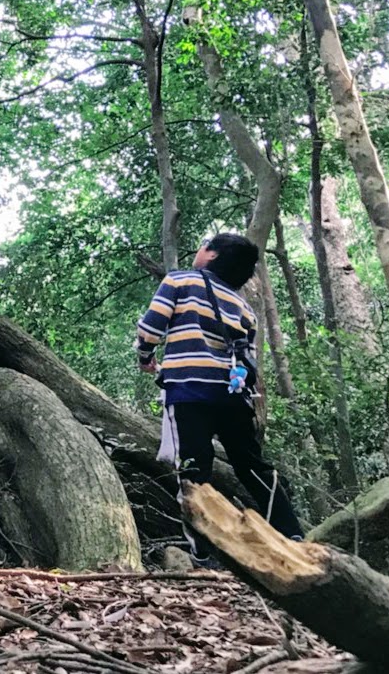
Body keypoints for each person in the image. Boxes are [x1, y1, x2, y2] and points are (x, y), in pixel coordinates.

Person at [136, 233, 302, 556]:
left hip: (189, 390)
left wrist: (145, 357)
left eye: (202, 245)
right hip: (233, 397)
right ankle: (291, 534)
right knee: (253, 466)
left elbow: (151, 329)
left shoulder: (178, 281)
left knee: (194, 469)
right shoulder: (243, 307)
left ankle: (203, 550)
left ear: (211, 254)